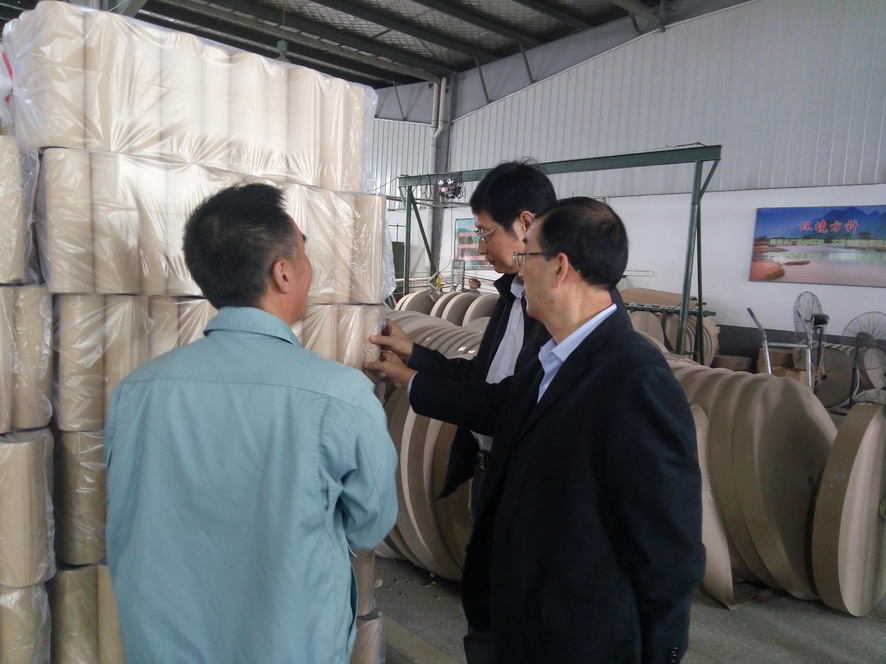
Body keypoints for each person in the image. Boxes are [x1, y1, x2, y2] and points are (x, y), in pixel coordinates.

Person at [104, 183, 398, 664]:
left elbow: (124, 523)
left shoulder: (136, 392)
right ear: (282, 272)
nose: (309, 267)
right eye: (304, 252)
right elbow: (371, 525)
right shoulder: (340, 395)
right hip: (290, 643)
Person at [460, 197, 704, 663]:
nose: (519, 270)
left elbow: (668, 545)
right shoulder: (549, 359)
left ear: (560, 267)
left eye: (526, 255)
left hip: (579, 641)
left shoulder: (634, 379)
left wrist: (659, 652)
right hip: (526, 620)